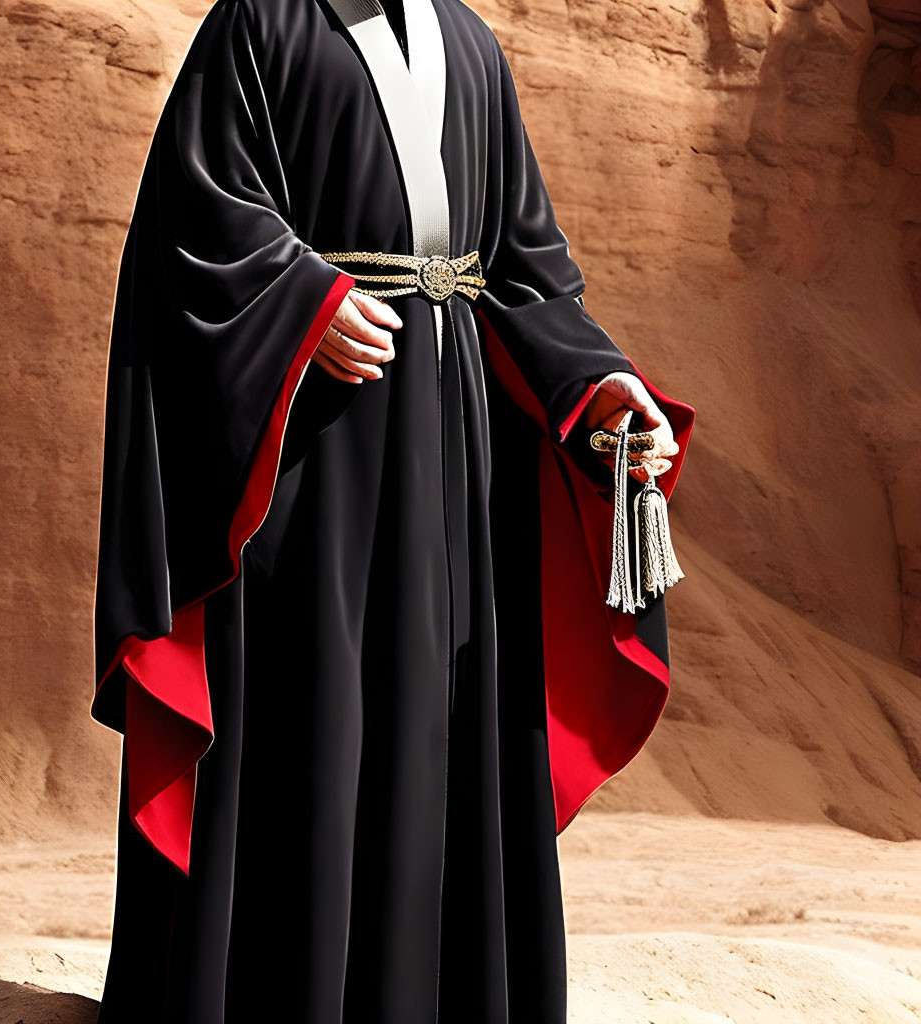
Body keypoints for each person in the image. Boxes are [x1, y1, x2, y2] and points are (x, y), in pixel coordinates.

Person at [90, 0, 695, 1021]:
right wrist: (303, 302)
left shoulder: (470, 45)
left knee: (442, 709)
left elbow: (525, 268)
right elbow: (196, 219)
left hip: (456, 449)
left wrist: (596, 385)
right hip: (310, 451)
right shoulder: (260, 26)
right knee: (309, 713)